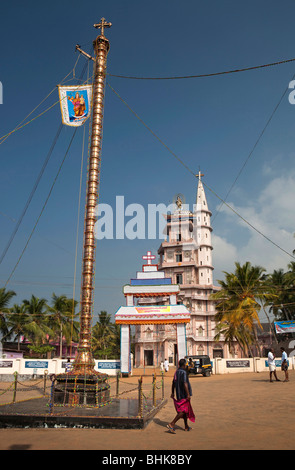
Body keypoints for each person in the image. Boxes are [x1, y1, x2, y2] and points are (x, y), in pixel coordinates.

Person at [167, 358, 195, 434]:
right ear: (184, 365)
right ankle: (172, 423)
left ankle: (186, 426)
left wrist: (172, 392)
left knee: (185, 411)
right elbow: (185, 383)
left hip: (178, 394)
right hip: (184, 394)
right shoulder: (183, 372)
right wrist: (188, 394)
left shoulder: (176, 372)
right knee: (183, 411)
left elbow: (173, 383)